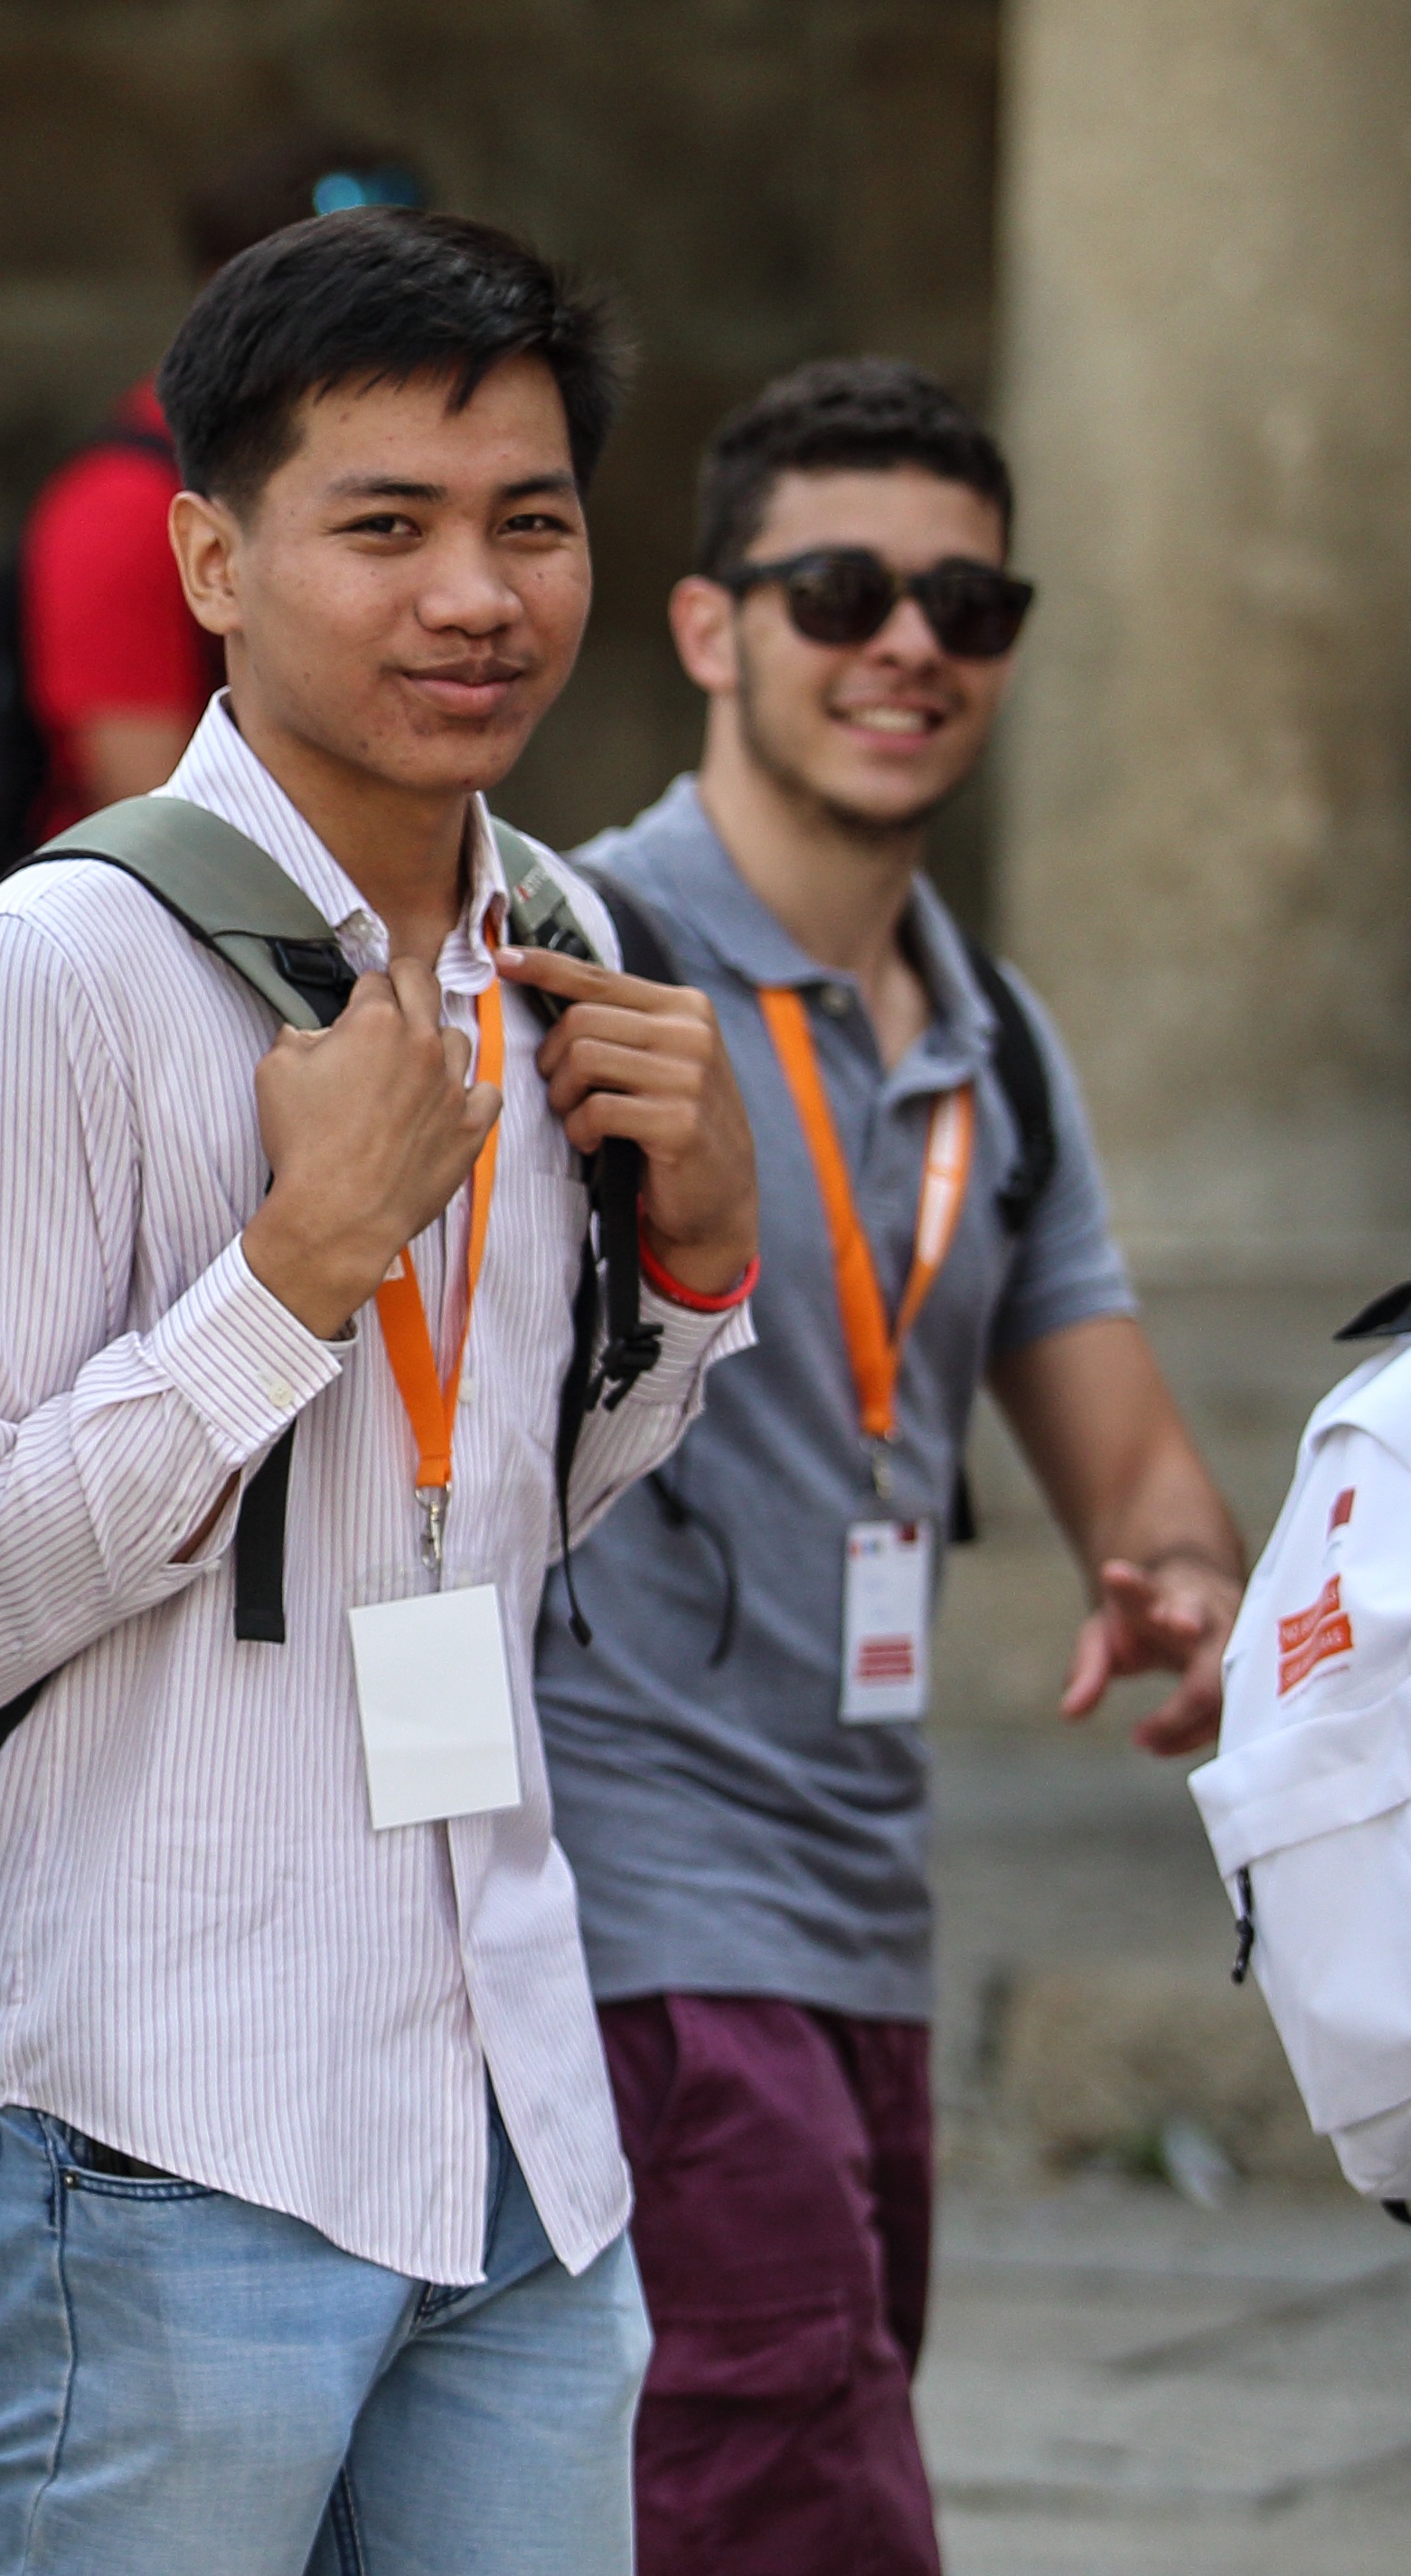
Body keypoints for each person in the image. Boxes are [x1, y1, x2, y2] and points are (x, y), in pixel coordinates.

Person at [0, 207, 766, 2573]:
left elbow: (483, 1511)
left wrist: (688, 1272)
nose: (472, 596)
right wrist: (296, 1266)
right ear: (206, 554)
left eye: (528, 523)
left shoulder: (559, 946)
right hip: (149, 2121)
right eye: (382, 526)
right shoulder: (43, 974)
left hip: (505, 2103)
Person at [529, 358, 1247, 2576]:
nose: (910, 644)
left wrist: (1182, 1584)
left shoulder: (992, 1036)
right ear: (711, 627)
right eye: (841, 589)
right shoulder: (576, 965)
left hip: (861, 1908)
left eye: (969, 601)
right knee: (797, 2519)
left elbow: (1133, 1464)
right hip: (622, 1901)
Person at [0, 139, 421, 995]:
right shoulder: (124, 504)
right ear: (220, 295)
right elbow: (155, 810)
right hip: (157, 971)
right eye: (327, 301)